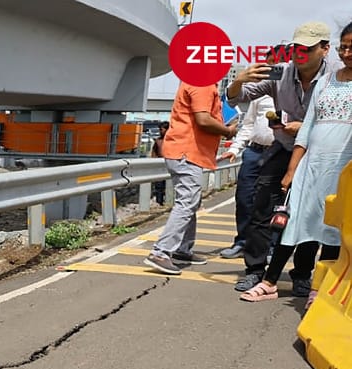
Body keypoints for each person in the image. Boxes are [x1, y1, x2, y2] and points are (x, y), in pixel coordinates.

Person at [240, 21, 352, 306]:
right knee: (292, 223)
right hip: (310, 163)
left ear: (323, 50)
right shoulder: (327, 82)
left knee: (331, 228)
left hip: (344, 168)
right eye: (346, 47)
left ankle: (318, 286)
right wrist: (292, 169)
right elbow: (308, 127)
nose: (348, 53)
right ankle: (268, 281)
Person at [144, 81, 237, 275]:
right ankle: (160, 252)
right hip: (187, 152)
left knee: (190, 202)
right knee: (187, 202)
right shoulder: (201, 83)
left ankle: (183, 249)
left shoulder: (196, 80)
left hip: (184, 151)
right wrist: (228, 131)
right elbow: (203, 119)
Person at [217, 49, 280, 259]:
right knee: (244, 199)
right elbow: (248, 124)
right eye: (269, 64)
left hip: (279, 153)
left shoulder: (294, 93)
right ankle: (243, 241)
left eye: (278, 65)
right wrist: (235, 148)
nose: (273, 69)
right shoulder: (260, 92)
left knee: (273, 203)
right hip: (254, 152)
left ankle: (270, 246)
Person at [149, 121, 170, 205]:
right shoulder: (158, 141)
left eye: (161, 129)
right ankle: (159, 202)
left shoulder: (173, 140)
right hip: (160, 166)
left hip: (170, 166)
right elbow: (154, 152)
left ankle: (169, 200)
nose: (160, 131)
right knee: (159, 185)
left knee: (169, 185)